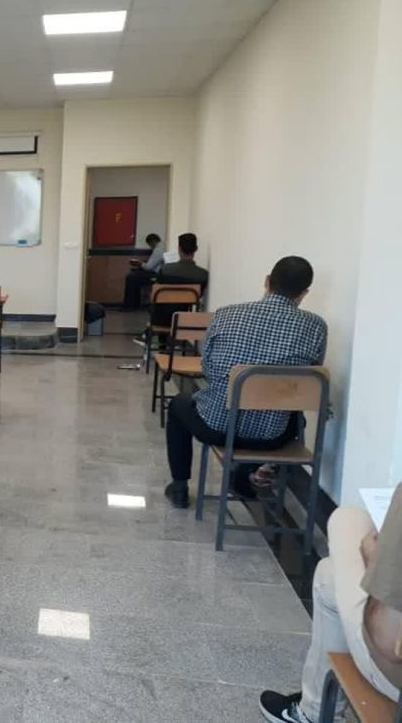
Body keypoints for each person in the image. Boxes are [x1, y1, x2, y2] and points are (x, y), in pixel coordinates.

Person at [163, 256, 327, 509]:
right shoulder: (316, 327)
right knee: (296, 419)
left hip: (216, 426)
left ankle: (180, 487)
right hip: (271, 435)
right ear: (304, 293)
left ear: (267, 281)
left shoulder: (226, 315)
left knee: (178, 405)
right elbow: (308, 380)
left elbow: (208, 369)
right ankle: (244, 474)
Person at [259, 485, 402, 722]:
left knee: (347, 518)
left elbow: (387, 641)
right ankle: (314, 709)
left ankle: (314, 712)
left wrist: (376, 567)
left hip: (394, 677)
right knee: (329, 576)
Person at [122, 232, 163, 310]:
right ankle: (134, 305)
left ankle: (130, 305)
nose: (150, 247)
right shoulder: (161, 248)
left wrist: (139, 263)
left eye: (149, 244)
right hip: (157, 273)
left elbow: (149, 267)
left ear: (152, 242)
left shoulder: (158, 250)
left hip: (156, 275)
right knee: (134, 276)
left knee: (131, 277)